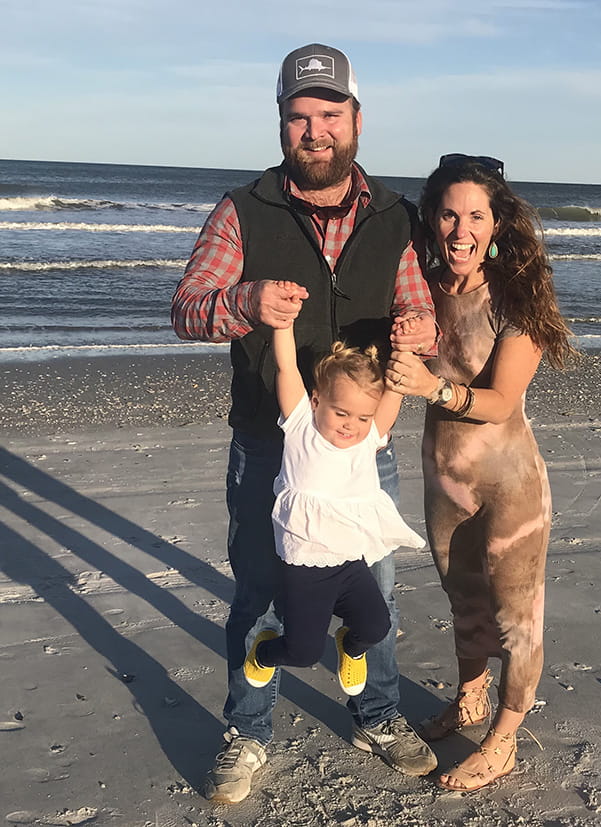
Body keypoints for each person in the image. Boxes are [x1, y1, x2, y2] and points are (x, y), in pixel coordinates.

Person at [171, 43, 437, 804]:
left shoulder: (395, 216)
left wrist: (423, 332)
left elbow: (425, 316)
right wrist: (243, 302)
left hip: (361, 445)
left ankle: (378, 714)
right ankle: (248, 730)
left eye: (329, 114)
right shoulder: (242, 209)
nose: (314, 131)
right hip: (268, 441)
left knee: (374, 584)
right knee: (258, 589)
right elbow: (187, 307)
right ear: (282, 123)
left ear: (356, 119)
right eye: (299, 117)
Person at [387, 154, 577, 792]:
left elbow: (499, 400)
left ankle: (503, 738)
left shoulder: (514, 296)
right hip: (443, 481)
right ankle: (469, 698)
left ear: (498, 223)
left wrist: (432, 388)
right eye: (448, 213)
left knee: (515, 616)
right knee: (460, 597)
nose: (461, 230)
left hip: (508, 487)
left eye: (476, 215)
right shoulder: (421, 285)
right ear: (432, 218)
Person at [242, 291, 425, 699]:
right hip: (304, 567)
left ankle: (350, 645)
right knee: (303, 651)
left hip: (349, 563)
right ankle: (265, 651)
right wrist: (283, 324)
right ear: (316, 400)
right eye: (341, 413)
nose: (351, 425)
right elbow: (287, 367)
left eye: (361, 417)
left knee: (376, 626)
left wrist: (406, 349)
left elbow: (393, 392)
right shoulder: (301, 426)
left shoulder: (368, 440)